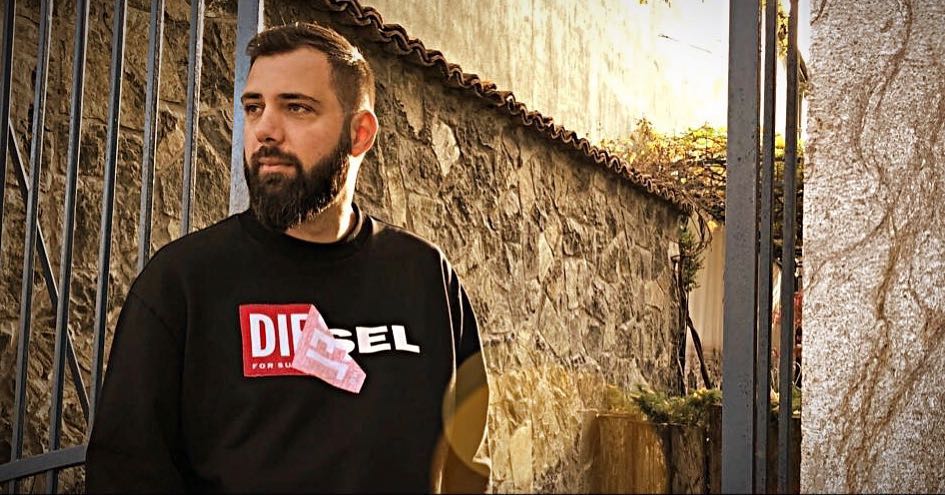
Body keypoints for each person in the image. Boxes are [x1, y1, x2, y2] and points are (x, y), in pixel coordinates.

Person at [86, 22, 490, 493]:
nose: (265, 130)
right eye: (254, 107)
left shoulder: (425, 276)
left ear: (360, 134)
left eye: (296, 107)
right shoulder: (183, 282)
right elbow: (125, 475)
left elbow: (465, 462)